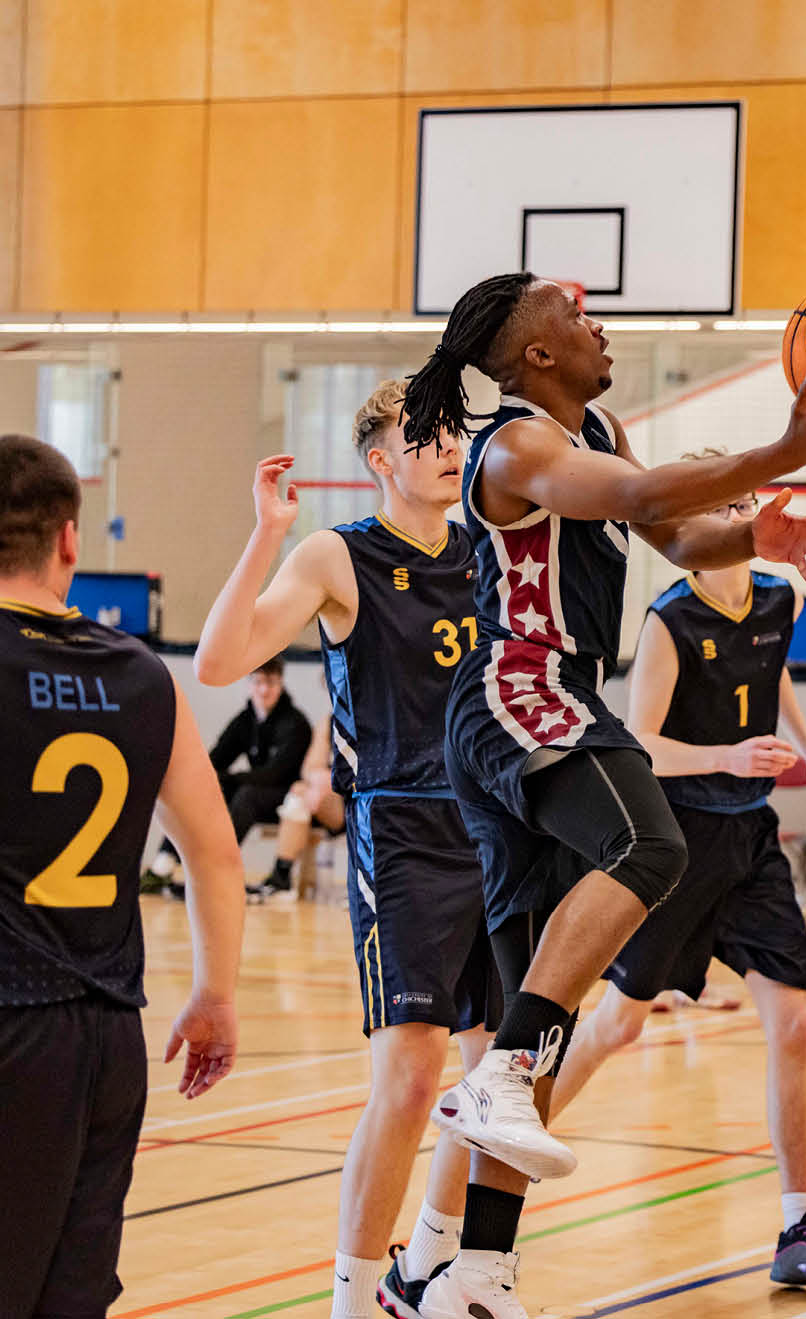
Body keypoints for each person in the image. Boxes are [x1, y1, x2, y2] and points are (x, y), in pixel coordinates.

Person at [405, 272, 806, 1318]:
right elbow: (637, 500)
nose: (600, 326)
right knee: (649, 844)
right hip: (517, 688)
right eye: (576, 315)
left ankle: (469, 1272)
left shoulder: (600, 430)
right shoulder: (515, 444)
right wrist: (787, 448)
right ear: (536, 353)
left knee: (539, 1018)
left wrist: (751, 539)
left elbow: (674, 534)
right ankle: (496, 1074)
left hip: (553, 699)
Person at [190, 380, 503, 1319]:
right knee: (409, 1080)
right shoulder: (339, 554)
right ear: (381, 459)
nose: (449, 447)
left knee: (500, 1082)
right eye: (428, 435)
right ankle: (353, 1299)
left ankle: (431, 1263)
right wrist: (266, 535)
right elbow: (217, 661)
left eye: (455, 432)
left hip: (495, 828)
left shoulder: (487, 548)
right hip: (401, 830)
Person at [544, 476, 806, 1287]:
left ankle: (801, 1224)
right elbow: (639, 746)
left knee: (795, 1024)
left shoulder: (780, 598)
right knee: (617, 1026)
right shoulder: (669, 621)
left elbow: (773, 672)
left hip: (751, 839)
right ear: (694, 529)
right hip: (678, 843)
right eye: (725, 506)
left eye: (744, 502)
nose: (743, 514)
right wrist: (728, 754)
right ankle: (493, 1162)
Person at [0, 432, 243, 1316]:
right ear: (70, 538)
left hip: (10, 1016)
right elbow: (214, 851)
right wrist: (214, 994)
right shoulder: (143, 675)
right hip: (108, 1038)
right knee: (72, 1293)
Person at [140, 654, 312, 896]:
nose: (264, 690)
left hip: (288, 796)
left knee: (247, 795)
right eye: (258, 682)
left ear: (280, 684)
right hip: (255, 789)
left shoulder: (295, 723)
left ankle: (216, 869)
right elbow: (215, 759)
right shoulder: (245, 720)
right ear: (249, 684)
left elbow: (275, 775)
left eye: (271, 683)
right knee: (208, 785)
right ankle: (163, 865)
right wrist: (201, 780)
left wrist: (227, 779)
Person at [251, 716, 348, 901]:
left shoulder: (380, 714)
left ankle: (367, 886)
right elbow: (310, 767)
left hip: (365, 797)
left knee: (308, 792)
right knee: (299, 792)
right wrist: (320, 783)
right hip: (333, 798)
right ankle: (282, 877)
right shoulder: (330, 720)